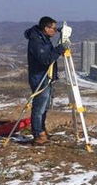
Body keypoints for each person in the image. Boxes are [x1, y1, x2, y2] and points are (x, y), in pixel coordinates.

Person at [24, 17, 66, 145]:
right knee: (39, 107)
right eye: (53, 28)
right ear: (46, 28)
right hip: (39, 78)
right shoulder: (36, 41)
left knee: (44, 107)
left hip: (46, 77)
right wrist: (59, 49)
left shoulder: (43, 38)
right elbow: (46, 60)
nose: (55, 31)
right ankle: (38, 134)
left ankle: (42, 131)